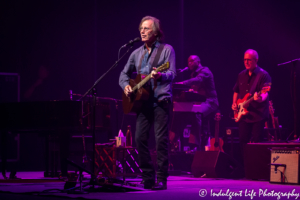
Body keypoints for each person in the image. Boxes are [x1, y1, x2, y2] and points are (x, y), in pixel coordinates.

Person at [119, 16, 176, 190]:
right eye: (141, 29)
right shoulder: (136, 53)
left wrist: (161, 75)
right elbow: (123, 75)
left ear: (156, 32)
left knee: (160, 140)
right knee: (139, 139)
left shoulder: (167, 50)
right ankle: (147, 177)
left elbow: (172, 73)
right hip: (142, 102)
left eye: (147, 29)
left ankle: (161, 179)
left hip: (160, 100)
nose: (142, 32)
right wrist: (126, 87)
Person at [232, 49, 271, 165]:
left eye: (249, 60)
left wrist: (260, 98)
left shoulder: (264, 75)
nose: (246, 62)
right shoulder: (241, 75)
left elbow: (265, 93)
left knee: (257, 141)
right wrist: (234, 103)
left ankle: (258, 167)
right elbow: (236, 90)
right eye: (245, 60)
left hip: (258, 114)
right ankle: (246, 167)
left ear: (256, 60)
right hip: (243, 114)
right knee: (243, 141)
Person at [175, 55, 219, 149]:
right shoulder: (193, 74)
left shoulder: (205, 71)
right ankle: (173, 141)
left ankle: (194, 145)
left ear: (198, 62)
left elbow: (198, 80)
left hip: (210, 102)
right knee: (178, 113)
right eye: (188, 62)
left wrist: (183, 83)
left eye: (192, 61)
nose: (189, 63)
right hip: (199, 102)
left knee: (196, 113)